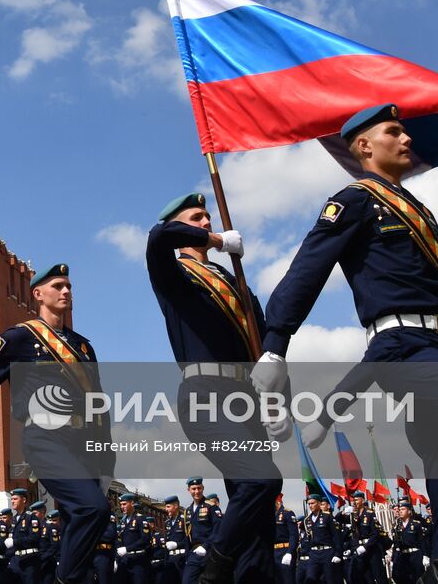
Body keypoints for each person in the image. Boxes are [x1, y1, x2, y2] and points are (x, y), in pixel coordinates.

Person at [259, 105, 438, 584]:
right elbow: (306, 271)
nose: (406, 138)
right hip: (403, 349)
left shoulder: (417, 209)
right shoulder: (355, 200)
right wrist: (275, 345)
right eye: (394, 131)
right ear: (364, 146)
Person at [0, 264, 114, 584]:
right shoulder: (19, 338)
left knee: (79, 524)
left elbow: (98, 405)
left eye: (69, 286)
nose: (67, 291)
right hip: (45, 439)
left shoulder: (84, 347)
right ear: (38, 294)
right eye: (58, 286)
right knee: (92, 509)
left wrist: (107, 460)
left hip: (83, 444)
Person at [145, 194, 281, 584]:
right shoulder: (174, 274)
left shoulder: (233, 282)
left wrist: (278, 400)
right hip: (206, 394)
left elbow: (265, 339)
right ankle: (214, 567)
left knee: (258, 519)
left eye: (208, 217)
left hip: (248, 398)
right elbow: (157, 237)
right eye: (197, 218)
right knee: (262, 479)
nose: (205, 222)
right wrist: (219, 241)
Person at [182, 479, 220, 584]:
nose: (197, 491)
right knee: (187, 581)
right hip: (194, 554)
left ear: (203, 488)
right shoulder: (187, 511)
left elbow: (218, 529)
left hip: (210, 551)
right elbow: (187, 535)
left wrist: (206, 546)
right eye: (193, 489)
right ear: (188, 490)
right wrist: (187, 556)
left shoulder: (211, 507)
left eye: (199, 488)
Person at [274, 496, 298, 584]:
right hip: (273, 552)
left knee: (287, 580)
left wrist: (290, 552)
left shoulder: (287, 513)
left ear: (277, 501)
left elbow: (294, 535)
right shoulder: (270, 515)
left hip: (284, 551)